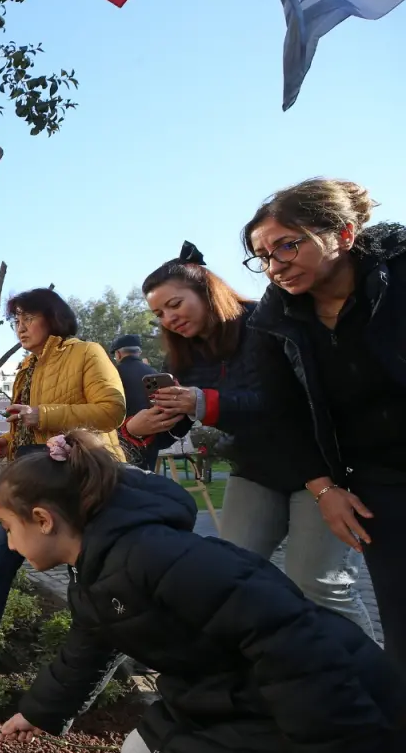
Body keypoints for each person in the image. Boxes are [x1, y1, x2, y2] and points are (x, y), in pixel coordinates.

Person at [0, 431, 406, 753]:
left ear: (43, 519)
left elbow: (295, 641)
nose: (10, 544)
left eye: (8, 529)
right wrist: (41, 711)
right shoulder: (95, 572)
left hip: (329, 710)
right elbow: (88, 648)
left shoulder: (159, 557)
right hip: (238, 697)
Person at [122, 241, 373, 633]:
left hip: (320, 466)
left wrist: (202, 401)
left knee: (319, 585)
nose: (169, 319)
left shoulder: (265, 323)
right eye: (159, 314)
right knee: (229, 572)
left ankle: (368, 671)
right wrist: (143, 427)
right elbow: (185, 419)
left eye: (175, 304)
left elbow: (281, 403)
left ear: (206, 291)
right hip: (256, 469)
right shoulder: (182, 356)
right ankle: (267, 657)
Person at [244, 178, 406, 672]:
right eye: (262, 256)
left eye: (286, 245)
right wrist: (324, 490)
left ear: (344, 235)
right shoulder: (274, 322)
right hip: (378, 484)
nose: (275, 265)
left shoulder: (398, 277)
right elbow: (282, 413)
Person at [0, 288, 126, 662]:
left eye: (29, 318)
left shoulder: (87, 352)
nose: (20, 327)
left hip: (77, 478)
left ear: (54, 318)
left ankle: (90, 656)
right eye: (16, 320)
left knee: (84, 572)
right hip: (30, 477)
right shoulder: (27, 367)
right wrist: (5, 442)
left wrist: (42, 414)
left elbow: (112, 410)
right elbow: (29, 428)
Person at [110, 333, 158, 470]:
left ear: (118, 354)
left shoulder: (113, 373)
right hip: (151, 434)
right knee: (148, 474)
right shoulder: (153, 373)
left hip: (122, 435)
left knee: (124, 475)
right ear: (139, 352)